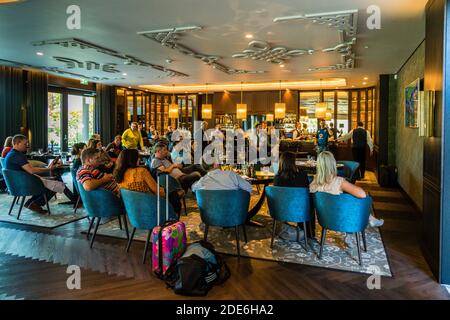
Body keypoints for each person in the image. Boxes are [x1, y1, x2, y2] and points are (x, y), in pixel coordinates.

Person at [309, 151, 384, 246]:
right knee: (353, 201)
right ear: (333, 164)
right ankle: (364, 222)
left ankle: (370, 219)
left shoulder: (313, 183)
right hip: (343, 219)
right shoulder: (339, 182)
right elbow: (363, 195)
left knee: (345, 200)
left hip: (324, 219)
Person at [4, 134, 76, 214]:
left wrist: (47, 169)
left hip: (17, 184)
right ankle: (35, 204)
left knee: (55, 182)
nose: (27, 146)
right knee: (56, 185)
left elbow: (28, 169)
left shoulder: (12, 154)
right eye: (25, 144)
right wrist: (49, 169)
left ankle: (31, 203)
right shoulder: (17, 156)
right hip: (23, 185)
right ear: (17, 143)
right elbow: (31, 171)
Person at [114, 149, 182, 215]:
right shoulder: (141, 171)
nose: (139, 159)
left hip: (132, 208)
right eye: (138, 157)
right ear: (133, 159)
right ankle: (173, 219)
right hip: (150, 205)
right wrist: (165, 191)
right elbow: (156, 190)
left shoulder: (118, 173)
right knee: (174, 196)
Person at [273, 151, 311, 240]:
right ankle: (308, 232)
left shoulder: (277, 178)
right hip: (300, 210)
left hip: (280, 210)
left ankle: (284, 226)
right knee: (310, 201)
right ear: (294, 162)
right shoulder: (302, 175)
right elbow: (306, 191)